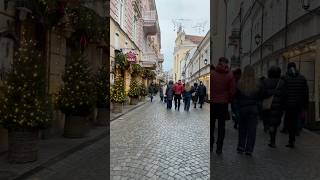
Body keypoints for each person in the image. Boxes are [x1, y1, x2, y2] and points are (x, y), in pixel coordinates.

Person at [235, 65, 264, 156]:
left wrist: (237, 109)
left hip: (242, 109)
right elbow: (261, 97)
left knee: (242, 129)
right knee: (252, 131)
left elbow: (236, 97)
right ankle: (249, 149)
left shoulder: (240, 83)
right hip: (253, 110)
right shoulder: (257, 84)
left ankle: (241, 147)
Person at [210, 57, 236, 154]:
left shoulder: (212, 74)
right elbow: (232, 90)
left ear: (218, 63)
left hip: (213, 103)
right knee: (221, 126)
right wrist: (228, 99)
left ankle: (210, 145)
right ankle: (219, 148)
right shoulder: (230, 75)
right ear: (227, 63)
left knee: (211, 126)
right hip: (223, 104)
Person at [282, 62, 309, 148]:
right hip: (298, 104)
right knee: (296, 119)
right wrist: (305, 105)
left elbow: (283, 93)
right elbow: (306, 93)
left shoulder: (285, 78)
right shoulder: (302, 78)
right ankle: (295, 133)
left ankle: (291, 140)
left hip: (289, 105)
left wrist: (283, 104)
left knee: (289, 122)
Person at [262, 66, 285, 148]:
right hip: (278, 106)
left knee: (270, 121)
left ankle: (272, 138)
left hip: (268, 105)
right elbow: (284, 95)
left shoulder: (265, 81)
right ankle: (273, 140)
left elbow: (263, 93)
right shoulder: (282, 82)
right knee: (275, 122)